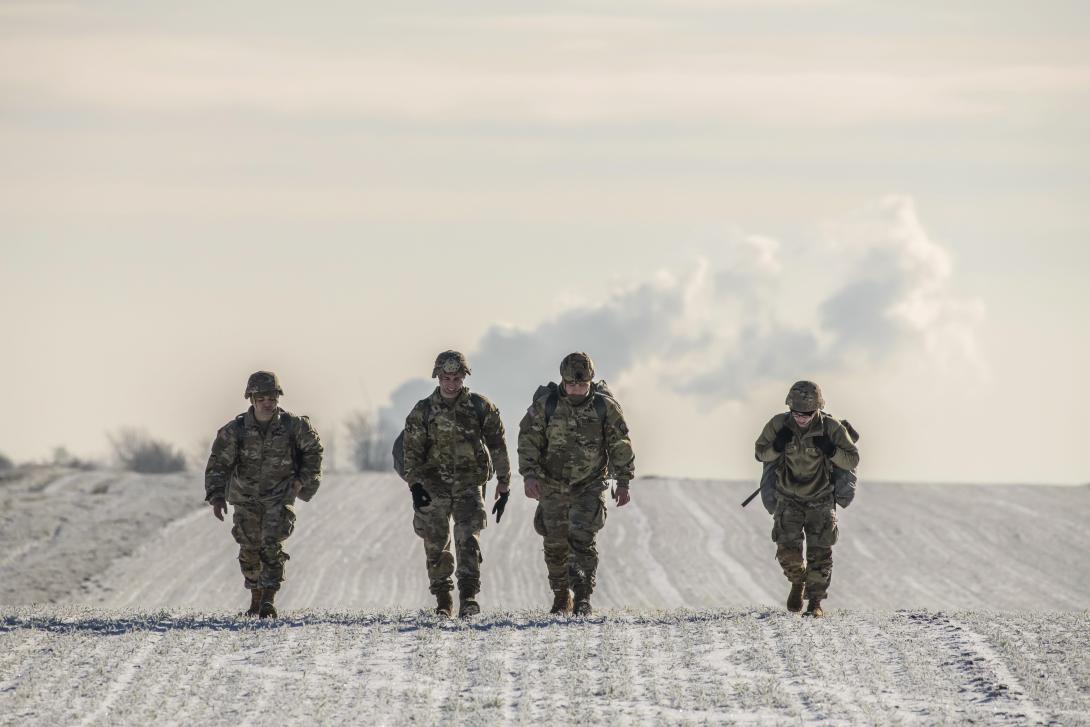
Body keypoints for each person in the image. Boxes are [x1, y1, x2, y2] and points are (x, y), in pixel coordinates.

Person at [518, 352, 635, 616]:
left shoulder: (605, 408)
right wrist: (530, 475)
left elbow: (620, 444)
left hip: (589, 484)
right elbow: (528, 441)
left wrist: (623, 480)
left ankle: (582, 596)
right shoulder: (546, 405)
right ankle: (561, 596)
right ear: (562, 381)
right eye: (572, 385)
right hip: (551, 485)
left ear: (591, 382)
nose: (577, 390)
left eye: (582, 385)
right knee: (555, 543)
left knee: (583, 540)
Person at [401, 351, 512, 618]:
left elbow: (498, 444)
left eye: (457, 378)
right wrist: (415, 486)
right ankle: (443, 599)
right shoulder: (423, 411)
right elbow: (411, 452)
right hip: (432, 485)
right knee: (435, 543)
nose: (451, 383)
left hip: (469, 484)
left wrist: (504, 482)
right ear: (437, 377)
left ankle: (469, 596)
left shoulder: (480, 407)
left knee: (468, 540)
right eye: (446, 378)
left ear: (464, 377)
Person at [204, 371, 323, 618]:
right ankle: (255, 598)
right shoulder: (235, 430)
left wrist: (302, 479)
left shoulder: (294, 426)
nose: (268, 402)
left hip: (279, 496)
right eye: (262, 397)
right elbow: (218, 464)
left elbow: (314, 450)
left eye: (272, 397)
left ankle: (268, 599)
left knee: (272, 545)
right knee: (249, 549)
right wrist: (216, 496)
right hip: (245, 498)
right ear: (252, 399)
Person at [754, 381, 859, 618]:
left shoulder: (831, 428)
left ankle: (815, 603)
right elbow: (760, 453)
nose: (801, 418)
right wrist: (777, 446)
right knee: (787, 551)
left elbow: (852, 459)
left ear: (818, 409)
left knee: (820, 554)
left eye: (808, 414)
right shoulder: (778, 424)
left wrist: (831, 450)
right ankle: (797, 581)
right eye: (797, 413)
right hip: (787, 497)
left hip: (821, 498)